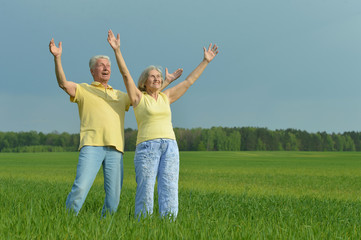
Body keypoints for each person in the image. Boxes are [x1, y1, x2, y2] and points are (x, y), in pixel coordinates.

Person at [48, 38, 181, 217]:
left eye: (108, 66)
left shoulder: (120, 96)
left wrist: (167, 81)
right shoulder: (84, 89)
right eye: (101, 65)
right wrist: (57, 58)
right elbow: (63, 83)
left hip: (115, 150)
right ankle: (67, 220)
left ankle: (106, 227)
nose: (106, 68)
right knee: (80, 187)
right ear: (92, 70)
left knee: (114, 199)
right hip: (91, 146)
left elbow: (145, 94)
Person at [107, 29, 219, 219]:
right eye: (153, 76)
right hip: (147, 147)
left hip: (170, 146)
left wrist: (205, 61)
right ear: (144, 82)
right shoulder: (138, 98)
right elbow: (126, 75)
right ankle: (143, 224)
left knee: (169, 187)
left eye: (159, 76)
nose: (157, 78)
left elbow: (189, 81)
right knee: (146, 188)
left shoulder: (166, 97)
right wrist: (117, 51)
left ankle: (168, 225)